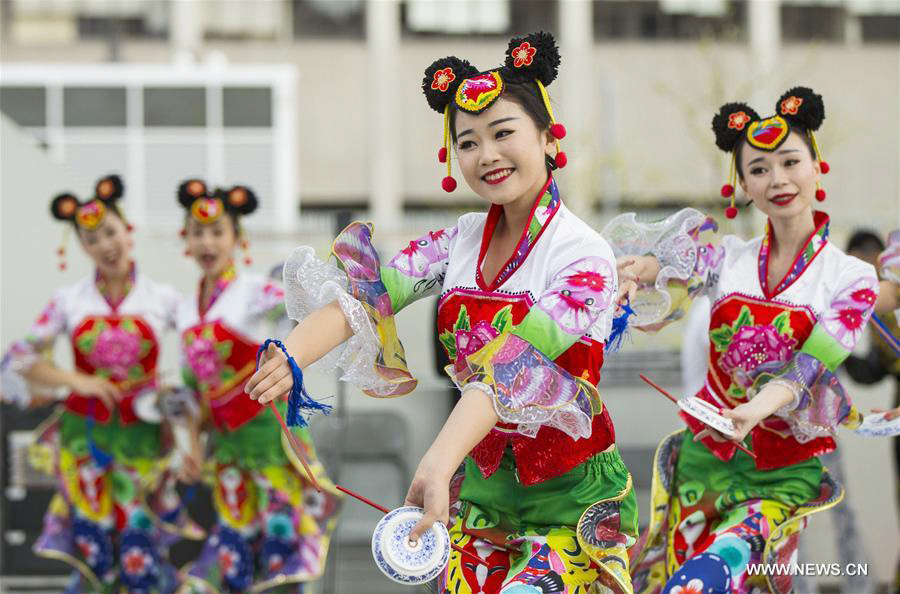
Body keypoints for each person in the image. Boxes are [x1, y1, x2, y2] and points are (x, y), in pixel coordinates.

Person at [247, 32, 656, 593]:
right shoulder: (458, 241)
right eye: (467, 142)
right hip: (480, 496)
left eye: (503, 133)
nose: (486, 154)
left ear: (546, 133)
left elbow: (512, 369)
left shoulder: (583, 256)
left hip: (570, 502)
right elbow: (364, 298)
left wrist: (437, 462)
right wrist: (289, 357)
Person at [609, 88, 879, 594]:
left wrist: (757, 406)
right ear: (742, 186)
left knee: (703, 581)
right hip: (703, 462)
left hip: (780, 473)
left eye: (789, 162)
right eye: (758, 169)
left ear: (817, 168)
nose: (776, 179)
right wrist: (639, 271)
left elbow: (812, 365)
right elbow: (673, 278)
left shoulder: (851, 279)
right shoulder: (725, 259)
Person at [0, 175, 189, 593]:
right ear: (81, 248)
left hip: (144, 441)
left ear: (128, 232)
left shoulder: (163, 299)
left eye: (110, 232)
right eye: (91, 238)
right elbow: (19, 357)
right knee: (94, 552)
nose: (105, 245)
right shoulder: (69, 300)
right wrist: (75, 380)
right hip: (85, 443)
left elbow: (202, 348)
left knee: (142, 547)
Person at [173, 179, 339, 593]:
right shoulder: (183, 310)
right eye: (198, 233)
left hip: (272, 451)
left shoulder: (254, 293)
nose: (207, 242)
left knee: (279, 568)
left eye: (217, 232)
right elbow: (194, 392)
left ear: (236, 238)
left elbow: (312, 307)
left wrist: (288, 350)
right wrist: (192, 446)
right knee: (231, 567)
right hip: (228, 456)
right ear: (186, 240)